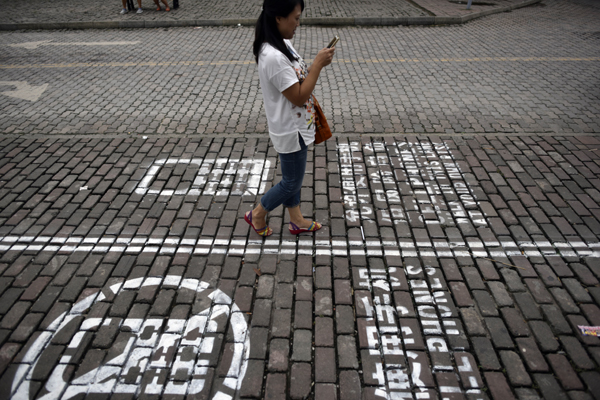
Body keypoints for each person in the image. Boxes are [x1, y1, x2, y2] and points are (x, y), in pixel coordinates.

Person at [246, 0, 335, 237]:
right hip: (290, 128)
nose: (298, 23)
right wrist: (317, 65)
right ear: (278, 18)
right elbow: (297, 96)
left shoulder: (282, 43)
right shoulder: (273, 56)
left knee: (292, 177)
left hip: (296, 125)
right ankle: (258, 213)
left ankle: (296, 219)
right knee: (291, 182)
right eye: (295, 18)